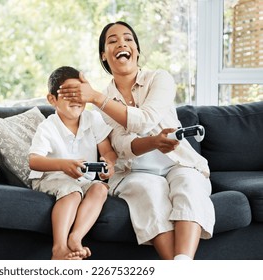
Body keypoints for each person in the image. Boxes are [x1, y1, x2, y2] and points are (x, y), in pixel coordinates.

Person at [57, 21, 215, 260]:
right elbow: (121, 146)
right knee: (149, 190)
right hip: (134, 172)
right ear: (104, 56)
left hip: (177, 163)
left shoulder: (160, 79)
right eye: (113, 41)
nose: (122, 43)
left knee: (189, 183)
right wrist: (152, 142)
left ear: (137, 51)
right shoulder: (102, 104)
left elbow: (146, 119)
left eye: (128, 39)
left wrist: (97, 98)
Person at [28, 66, 117, 260]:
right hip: (50, 177)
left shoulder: (92, 118)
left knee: (100, 189)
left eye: (80, 94)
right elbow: (34, 161)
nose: (77, 100)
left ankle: (75, 238)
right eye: (69, 94)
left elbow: (108, 151)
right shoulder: (48, 126)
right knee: (72, 191)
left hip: (82, 180)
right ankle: (59, 248)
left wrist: (108, 164)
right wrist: (62, 165)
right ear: (52, 99)